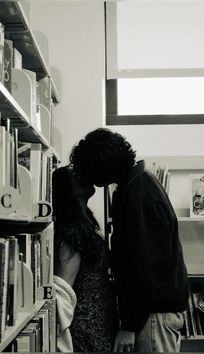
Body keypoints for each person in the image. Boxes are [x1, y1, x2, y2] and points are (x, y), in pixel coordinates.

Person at [70, 128, 190, 352]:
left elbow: (146, 266)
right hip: (150, 314)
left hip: (151, 317)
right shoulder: (136, 184)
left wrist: (129, 326)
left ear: (102, 167)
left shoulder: (139, 192)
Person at [52, 166, 118, 352]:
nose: (83, 177)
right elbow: (63, 289)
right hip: (86, 326)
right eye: (75, 176)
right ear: (67, 190)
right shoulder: (70, 233)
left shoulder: (83, 223)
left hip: (99, 318)